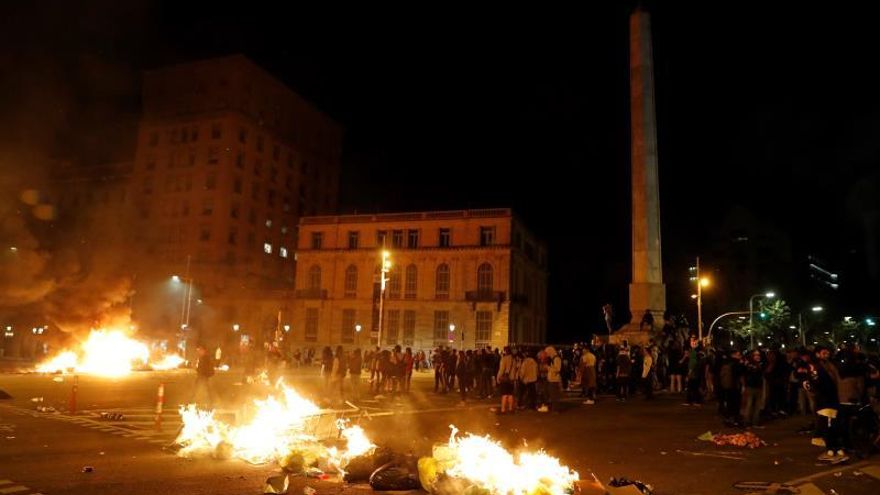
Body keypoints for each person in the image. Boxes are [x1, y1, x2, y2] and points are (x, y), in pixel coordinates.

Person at [742, 350, 764, 425]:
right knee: (749, 404)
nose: (758, 356)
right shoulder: (749, 365)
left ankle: (755, 421)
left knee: (758, 405)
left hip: (758, 387)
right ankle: (747, 421)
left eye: (758, 355)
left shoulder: (760, 364)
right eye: (755, 355)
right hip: (751, 387)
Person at [496, 347, 515, 414]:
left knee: (504, 394)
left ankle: (503, 410)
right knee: (510, 394)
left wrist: (498, 377)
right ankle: (510, 409)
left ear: (506, 351)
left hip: (505, 379)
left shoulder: (504, 359)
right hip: (512, 379)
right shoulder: (513, 359)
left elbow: (502, 370)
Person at [544, 346, 562, 412]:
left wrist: (548, 367)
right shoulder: (553, 359)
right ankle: (554, 408)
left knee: (554, 395)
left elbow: (558, 369)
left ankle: (556, 409)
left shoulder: (556, 359)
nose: (546, 354)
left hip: (554, 380)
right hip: (552, 379)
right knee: (552, 395)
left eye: (547, 352)